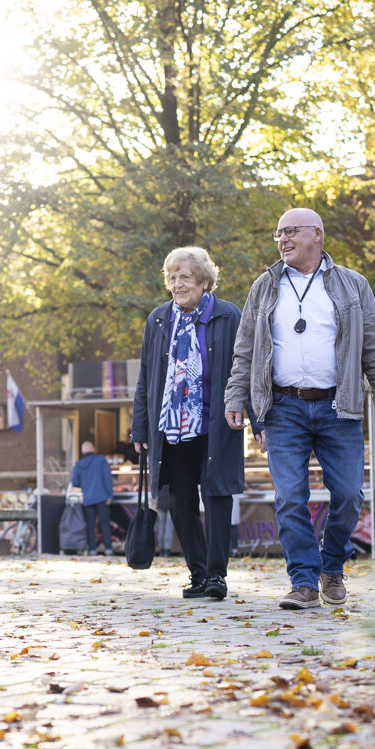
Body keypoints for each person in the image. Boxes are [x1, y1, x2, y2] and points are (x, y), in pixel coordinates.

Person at [225, 208, 375, 610]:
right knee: (289, 497)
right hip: (283, 407)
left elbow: (374, 346)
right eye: (278, 233)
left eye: (291, 232)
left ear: (317, 235)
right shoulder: (265, 286)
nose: (283, 239)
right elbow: (245, 350)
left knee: (349, 496)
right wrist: (236, 397)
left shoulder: (353, 285)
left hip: (340, 407)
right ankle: (302, 581)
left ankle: (332, 566)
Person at [131, 246, 247, 600]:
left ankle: (217, 576)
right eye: (171, 277)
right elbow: (147, 376)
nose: (177, 284)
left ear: (203, 280)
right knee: (180, 502)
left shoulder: (228, 316)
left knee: (216, 497)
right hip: (171, 429)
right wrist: (140, 427)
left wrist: (254, 415)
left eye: (184, 277)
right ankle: (198, 574)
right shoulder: (158, 319)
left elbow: (245, 366)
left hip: (215, 424)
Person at [68, 441, 115, 554]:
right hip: (102, 497)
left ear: (82, 451)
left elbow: (75, 482)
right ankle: (108, 549)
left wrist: (85, 485)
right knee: (104, 523)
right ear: (93, 449)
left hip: (88, 498)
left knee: (90, 524)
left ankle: (92, 549)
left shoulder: (78, 464)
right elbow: (107, 478)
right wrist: (109, 495)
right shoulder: (101, 460)